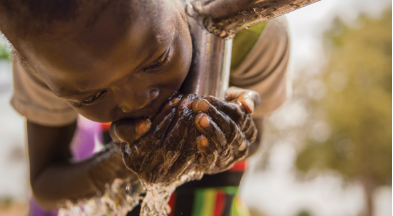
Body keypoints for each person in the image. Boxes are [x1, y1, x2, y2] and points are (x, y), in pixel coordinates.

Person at [0, 0, 289, 215]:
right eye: (90, 97)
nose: (135, 101)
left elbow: (254, 138)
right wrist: (117, 162)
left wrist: (229, 130)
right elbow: (46, 185)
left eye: (156, 62)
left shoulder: (254, 29)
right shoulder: (45, 55)